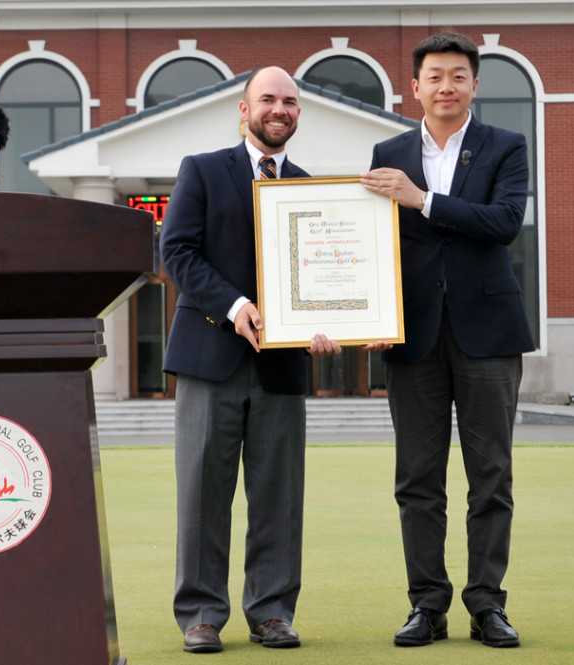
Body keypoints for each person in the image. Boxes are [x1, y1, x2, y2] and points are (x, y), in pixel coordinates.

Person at [361, 32, 533, 649]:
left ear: (474, 86)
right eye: (434, 76)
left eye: (458, 76)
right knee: (417, 478)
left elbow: (504, 224)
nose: (446, 87)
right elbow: (373, 243)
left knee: (491, 475)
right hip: (411, 336)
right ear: (415, 86)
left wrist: (423, 200)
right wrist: (357, 309)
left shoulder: (505, 147)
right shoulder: (389, 150)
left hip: (488, 333)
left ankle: (488, 605)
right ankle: (426, 605)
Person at [161, 66, 339, 654]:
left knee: (278, 497)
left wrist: (326, 325)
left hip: (281, 370)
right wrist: (235, 306)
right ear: (244, 109)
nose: (279, 109)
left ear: (298, 113)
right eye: (268, 99)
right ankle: (202, 614)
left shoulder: (314, 191)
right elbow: (177, 252)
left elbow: (321, 279)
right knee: (203, 494)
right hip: (211, 357)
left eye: (290, 101)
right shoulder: (203, 171)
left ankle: (271, 611)